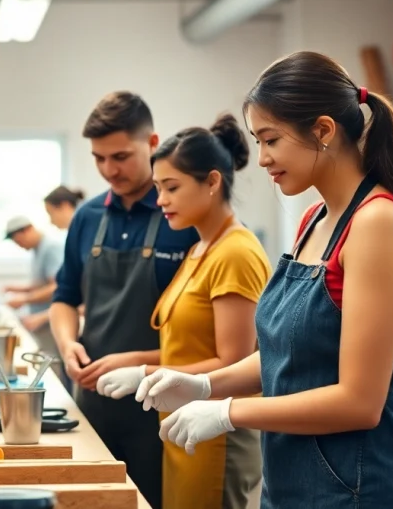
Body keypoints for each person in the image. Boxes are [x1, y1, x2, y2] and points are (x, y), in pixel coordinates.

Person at [133, 51, 393, 509]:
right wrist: (206, 385)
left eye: (271, 140)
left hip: (357, 492)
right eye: (258, 141)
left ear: (322, 130)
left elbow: (359, 402)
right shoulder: (314, 220)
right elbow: (288, 354)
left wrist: (228, 412)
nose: (262, 159)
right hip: (290, 486)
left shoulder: (378, 223)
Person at [96, 113, 268, 509]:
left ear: (212, 182)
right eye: (158, 188)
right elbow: (190, 346)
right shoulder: (200, 249)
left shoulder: (235, 253)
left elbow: (234, 362)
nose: (161, 201)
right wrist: (135, 362)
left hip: (216, 434)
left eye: (172, 187)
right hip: (183, 427)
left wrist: (145, 373)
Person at [48, 90, 199, 509]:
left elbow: (209, 339)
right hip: (94, 402)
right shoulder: (87, 217)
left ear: (152, 143)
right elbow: (64, 297)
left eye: (120, 157)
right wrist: (67, 344)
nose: (108, 170)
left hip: (164, 406)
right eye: (99, 158)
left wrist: (140, 363)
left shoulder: (183, 217)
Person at [2, 215, 68, 392]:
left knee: (52, 367)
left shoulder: (51, 248)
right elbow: (43, 282)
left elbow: (57, 286)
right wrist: (19, 289)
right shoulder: (38, 249)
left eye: (19, 241)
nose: (20, 246)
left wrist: (25, 299)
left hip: (51, 321)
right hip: (42, 322)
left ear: (28, 229)